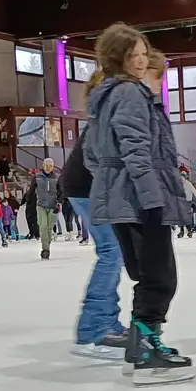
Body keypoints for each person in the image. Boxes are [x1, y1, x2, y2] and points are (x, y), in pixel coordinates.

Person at [83, 24, 193, 386]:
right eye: (133, 55)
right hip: (140, 198)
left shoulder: (107, 95)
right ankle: (146, 347)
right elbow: (135, 150)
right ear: (117, 59)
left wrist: (113, 185)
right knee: (160, 276)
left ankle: (142, 343)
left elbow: (91, 155)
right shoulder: (130, 93)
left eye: (144, 52)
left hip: (123, 197)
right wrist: (150, 197)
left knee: (150, 274)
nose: (141, 60)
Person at [63, 84, 130, 361]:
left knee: (113, 252)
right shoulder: (113, 111)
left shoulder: (109, 110)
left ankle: (106, 323)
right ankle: (94, 330)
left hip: (85, 186)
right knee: (111, 252)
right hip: (87, 187)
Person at [36, 157, 60, 260]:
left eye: (50, 166)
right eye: (46, 165)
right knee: (43, 226)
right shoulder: (37, 177)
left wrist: (59, 203)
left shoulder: (57, 178)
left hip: (53, 206)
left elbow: (62, 192)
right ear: (43, 166)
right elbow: (32, 190)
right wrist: (28, 203)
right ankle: (44, 249)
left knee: (49, 228)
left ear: (52, 167)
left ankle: (47, 247)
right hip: (41, 205)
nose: (48, 167)